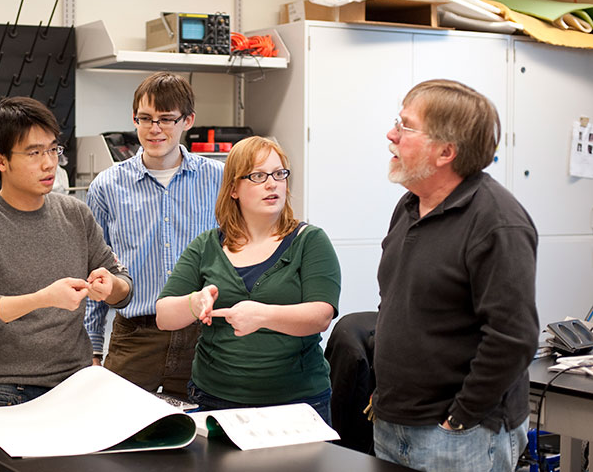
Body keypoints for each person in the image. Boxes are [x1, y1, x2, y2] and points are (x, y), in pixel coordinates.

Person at [371, 79, 539, 471]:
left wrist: (461, 418)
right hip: (394, 421)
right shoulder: (411, 205)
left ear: (446, 151)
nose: (391, 134)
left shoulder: (497, 223)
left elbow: (513, 338)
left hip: (459, 437)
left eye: (406, 126)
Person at [0, 96, 133, 407]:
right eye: (34, 153)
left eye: (52, 149)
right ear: (0, 161)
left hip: (77, 384)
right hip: (7, 391)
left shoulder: (75, 214)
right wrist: (43, 299)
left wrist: (112, 286)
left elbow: (122, 286)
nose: (49, 163)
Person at [155, 136, 341, 421]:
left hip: (298, 403)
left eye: (279, 174)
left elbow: (321, 315)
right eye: (258, 176)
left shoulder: (310, 241)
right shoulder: (207, 246)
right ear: (233, 189)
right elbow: (164, 316)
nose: (272, 184)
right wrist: (196, 302)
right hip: (215, 400)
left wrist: (263, 315)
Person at [83, 72, 224, 398]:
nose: (154, 129)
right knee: (118, 435)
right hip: (135, 337)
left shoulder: (218, 179)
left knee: (204, 436)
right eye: (145, 119)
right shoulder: (107, 186)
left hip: (202, 336)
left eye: (166, 119)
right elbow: (93, 270)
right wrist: (91, 346)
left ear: (188, 120)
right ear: (134, 119)